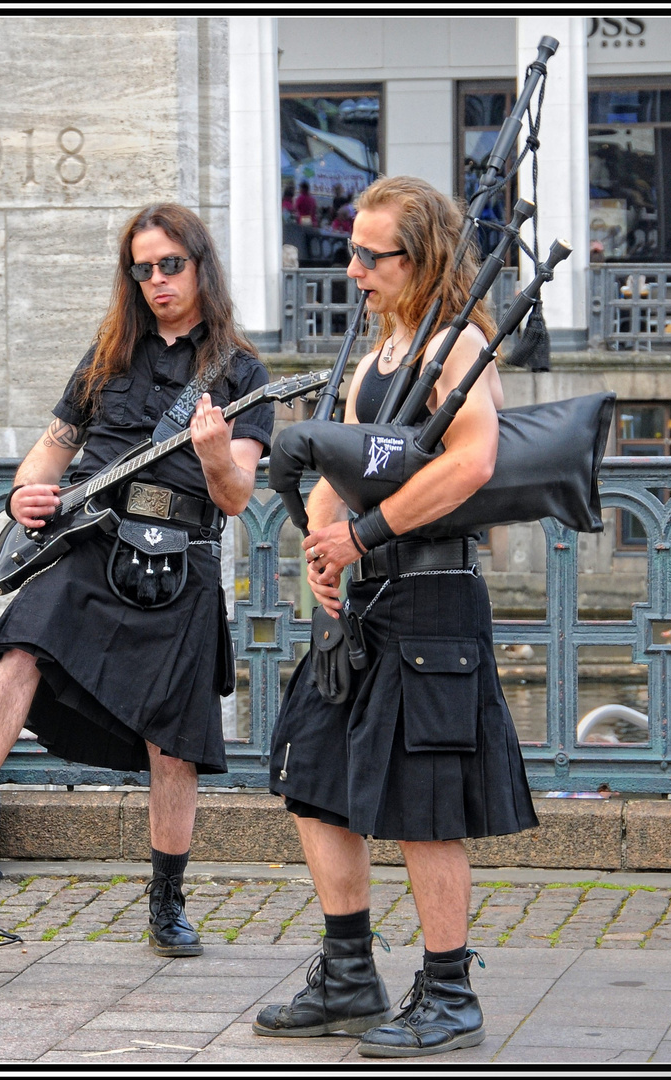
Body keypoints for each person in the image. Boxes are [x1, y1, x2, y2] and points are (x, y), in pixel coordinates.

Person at [0, 203, 273, 958]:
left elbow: (236, 496)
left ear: (200, 266)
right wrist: (22, 493)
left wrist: (212, 454)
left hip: (178, 561)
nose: (158, 281)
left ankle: (167, 899)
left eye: (171, 265)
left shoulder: (242, 372)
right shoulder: (107, 356)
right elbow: (51, 448)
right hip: (89, 541)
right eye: (144, 268)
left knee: (174, 740)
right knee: (18, 649)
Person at [252, 175, 537, 1057]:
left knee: (423, 805)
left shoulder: (454, 346)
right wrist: (323, 548)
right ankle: (349, 976)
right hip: (366, 602)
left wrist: (365, 535)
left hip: (432, 599)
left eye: (370, 256)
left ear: (423, 259)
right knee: (313, 774)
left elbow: (474, 463)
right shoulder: (383, 351)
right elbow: (343, 466)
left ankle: (449, 994)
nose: (353, 269)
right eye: (353, 250)